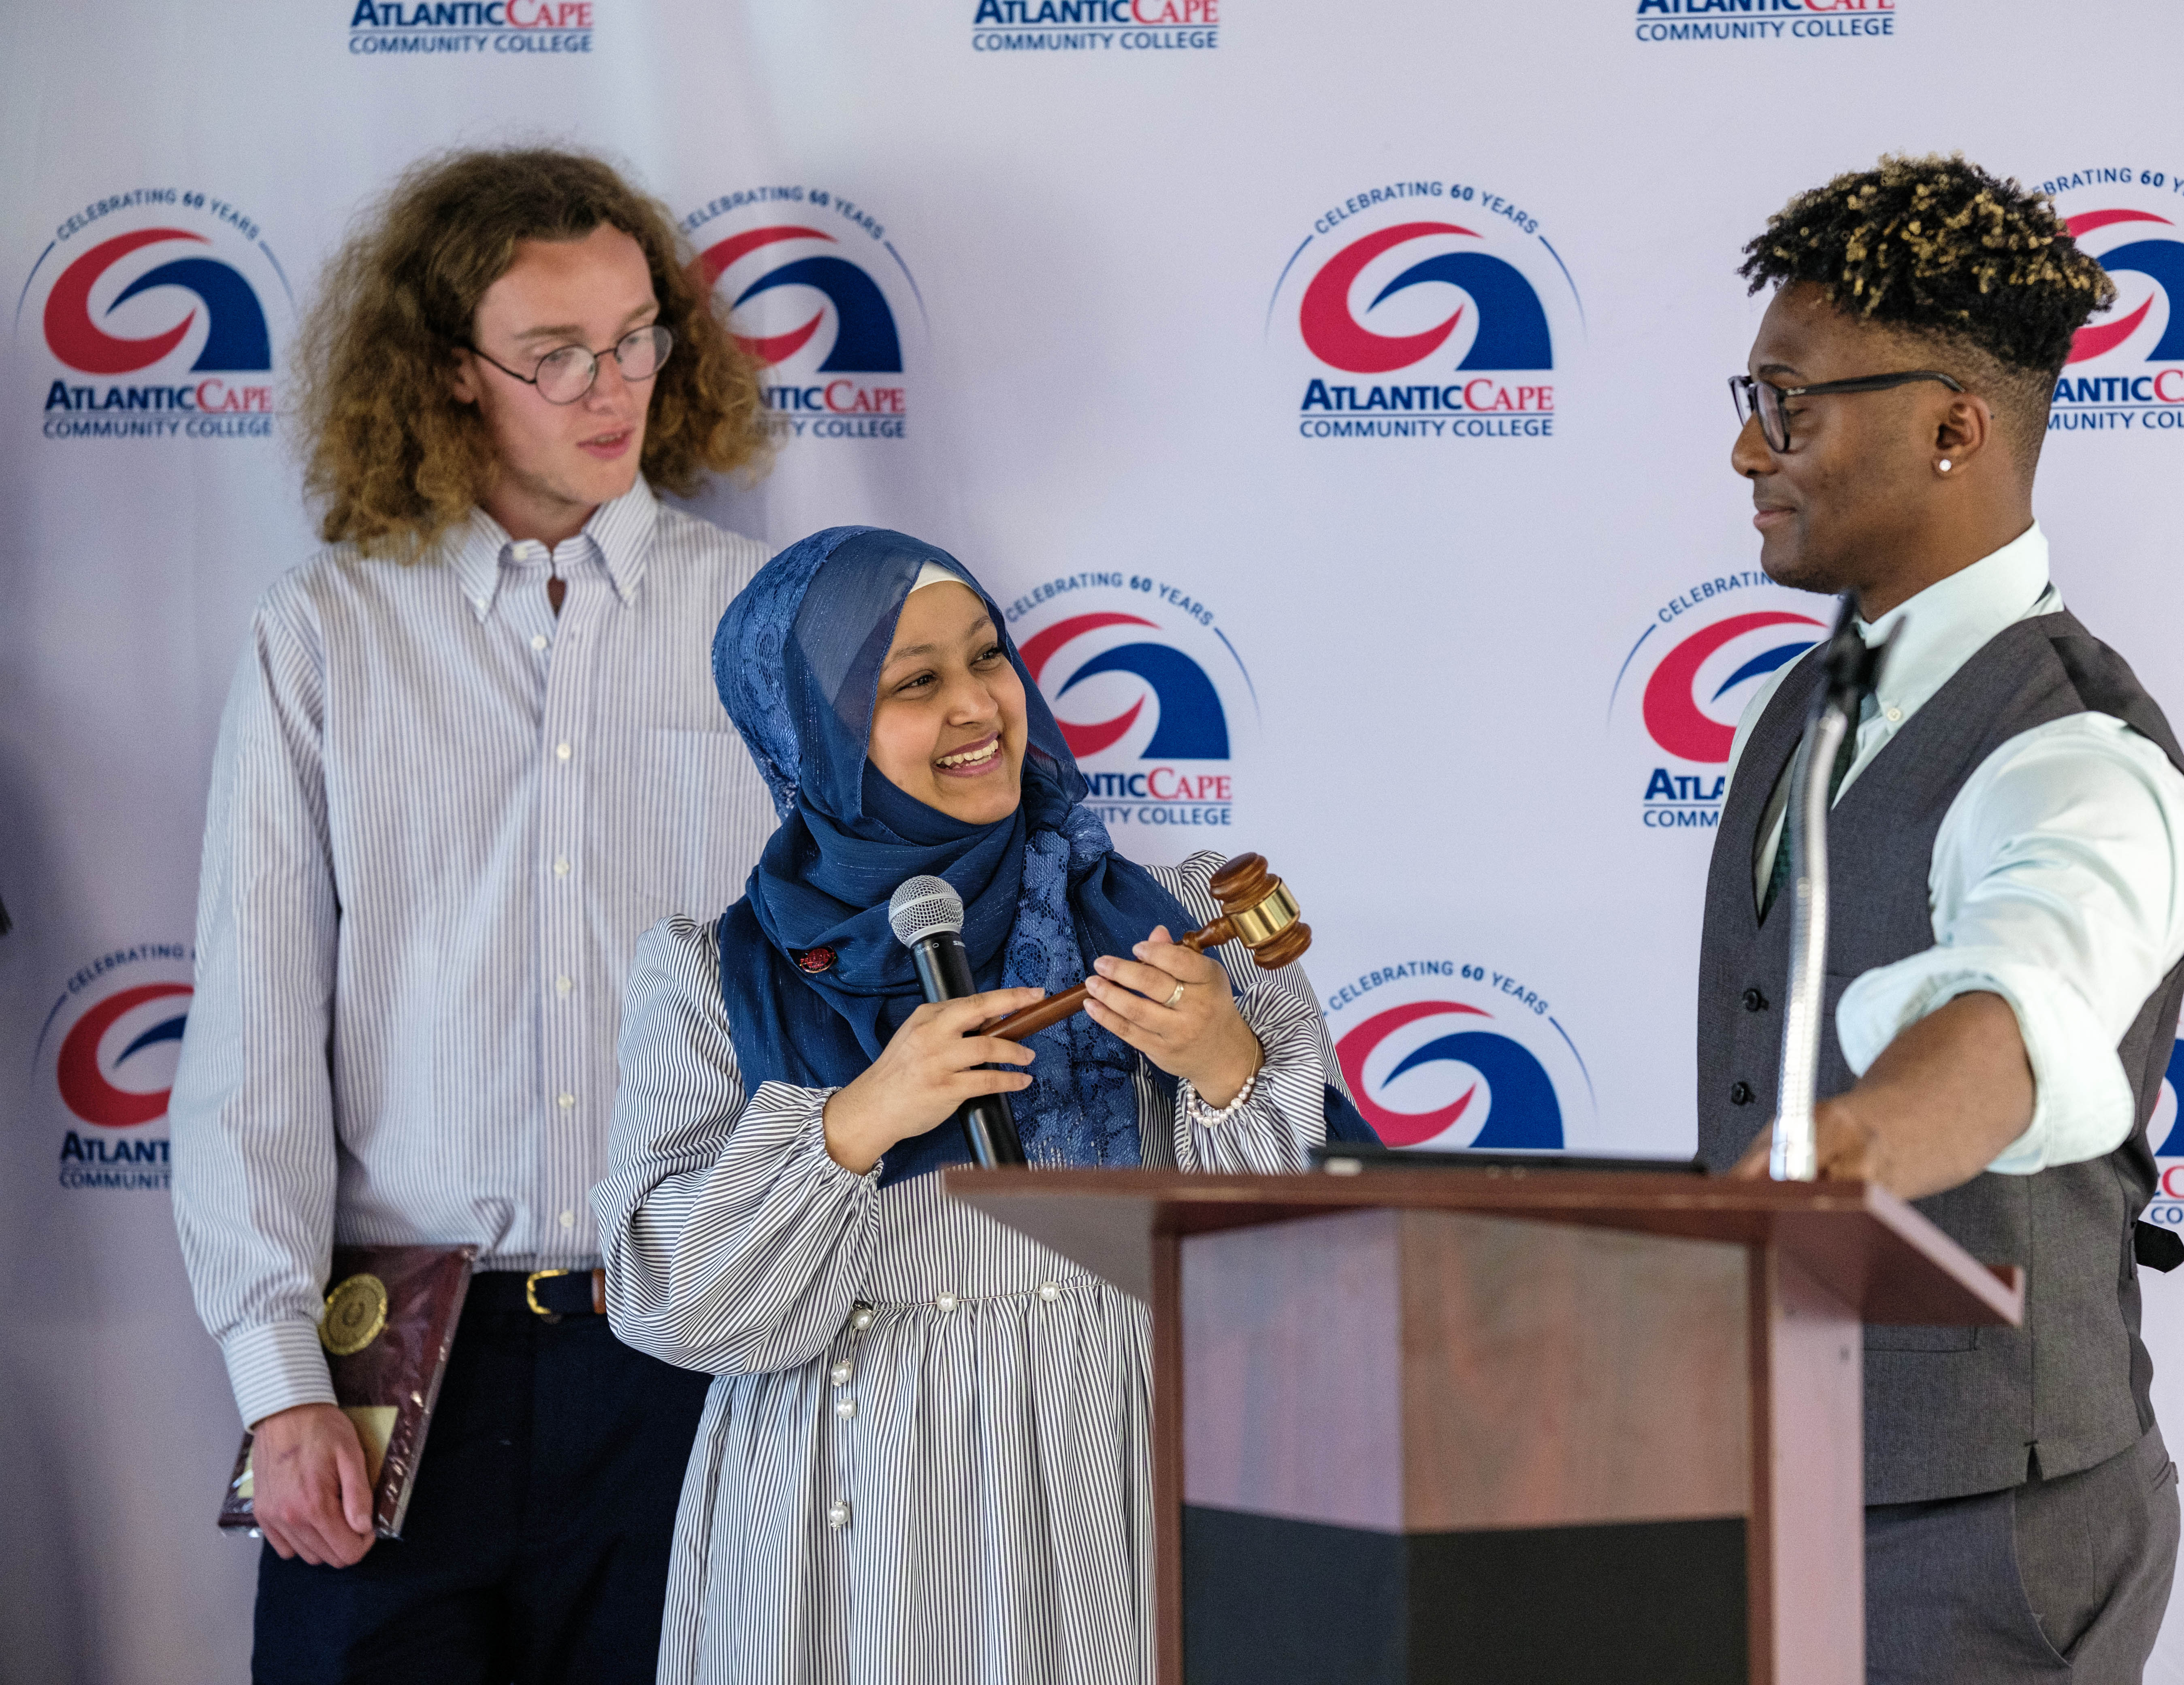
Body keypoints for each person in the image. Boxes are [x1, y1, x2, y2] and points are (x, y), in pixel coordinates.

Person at [168, 147, 777, 1682]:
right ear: (449, 374)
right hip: (400, 1362)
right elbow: (251, 1039)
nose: (612, 384)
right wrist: (276, 1379)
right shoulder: (324, 635)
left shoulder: (769, 622)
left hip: (697, 1359)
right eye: (554, 353)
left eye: (638, 336)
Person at [593, 526, 1351, 1683]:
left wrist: (1221, 1063)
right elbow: (671, 1306)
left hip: (1130, 1463)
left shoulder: (1175, 916)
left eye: (988, 658)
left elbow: (1321, 1260)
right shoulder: (713, 977)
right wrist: (861, 1118)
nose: (978, 707)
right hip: (859, 1510)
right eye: (914, 682)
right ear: (813, 732)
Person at [1695, 155, 2184, 1683]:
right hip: (1797, 1475)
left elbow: (2012, 1024)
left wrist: (1801, 1186)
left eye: (1791, 402)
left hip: (1985, 1528)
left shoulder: (2077, 759)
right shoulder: (1813, 695)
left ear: (1952, 428)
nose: (1747, 448)